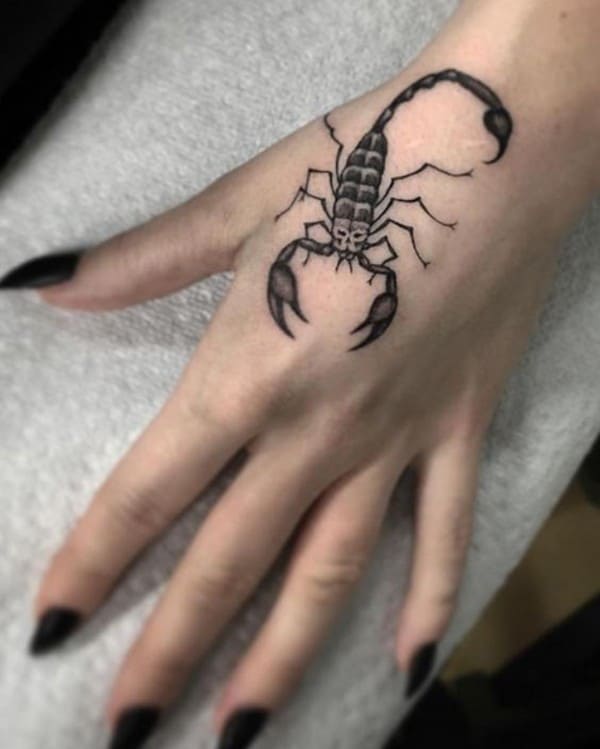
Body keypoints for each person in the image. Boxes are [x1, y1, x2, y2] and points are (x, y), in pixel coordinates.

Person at [1, 1, 599, 748]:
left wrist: (541, 101)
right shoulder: (335, 227)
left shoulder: (373, 227)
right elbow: (339, 225)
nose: (343, 255)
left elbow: (401, 216)